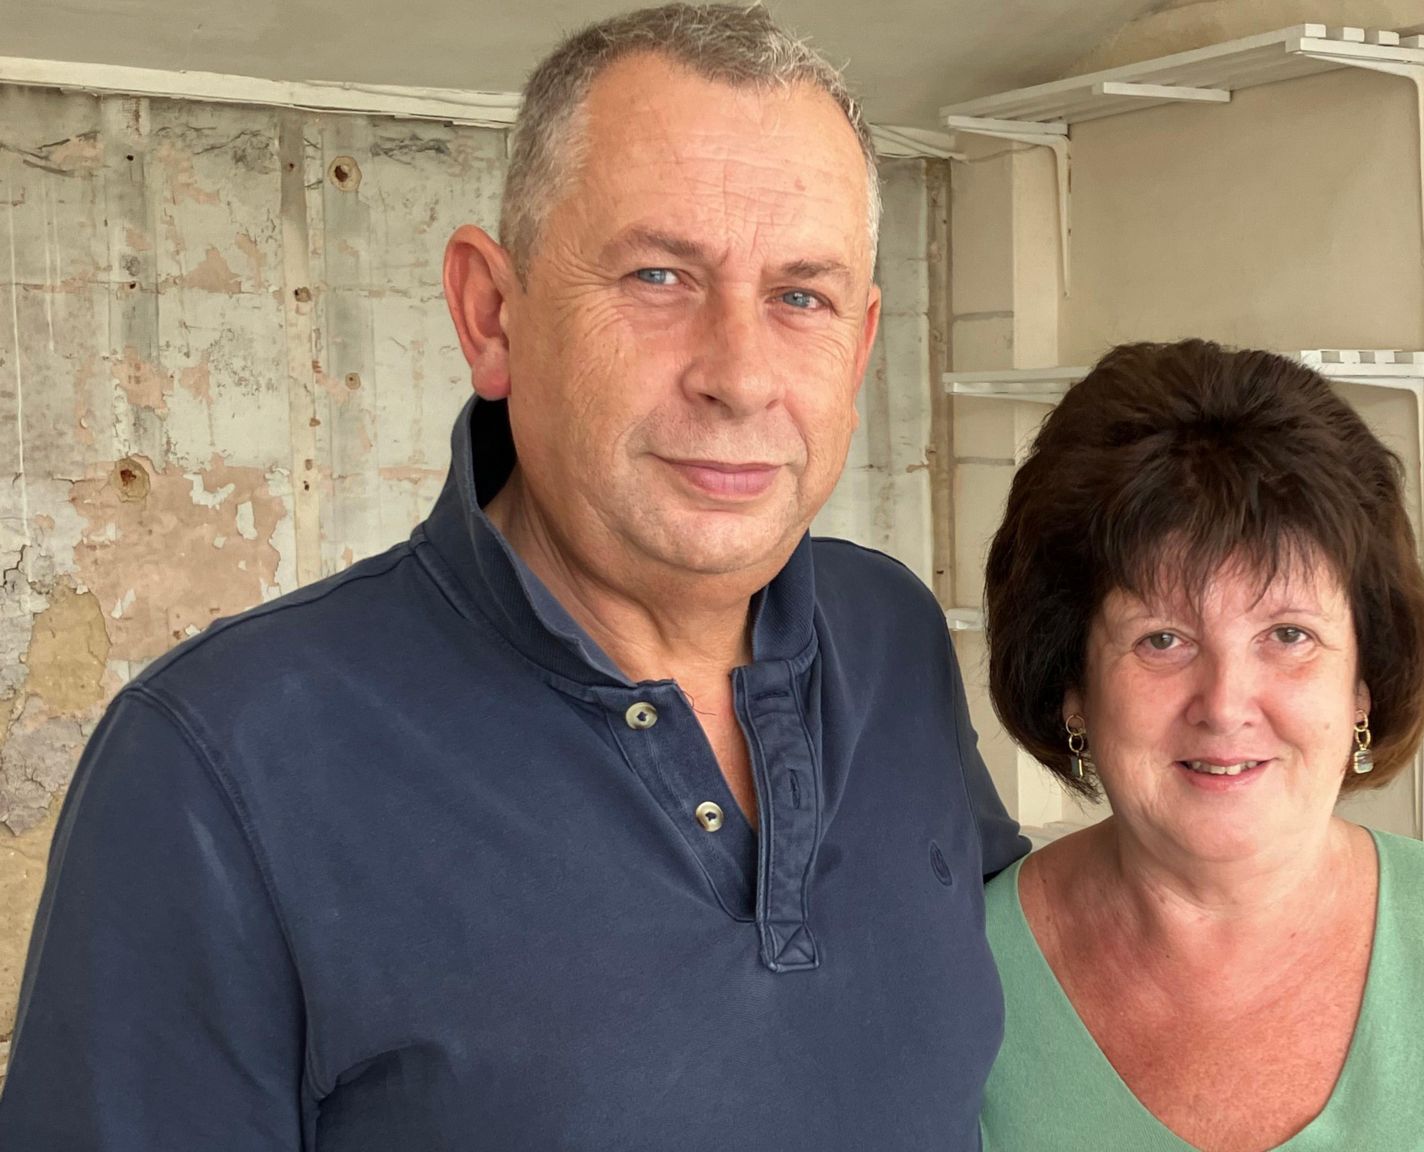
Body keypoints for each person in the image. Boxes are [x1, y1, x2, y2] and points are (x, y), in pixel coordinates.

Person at [0, 6, 1024, 1148]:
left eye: (800, 297)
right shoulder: (218, 762)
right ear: (492, 315)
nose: (740, 376)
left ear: (860, 348)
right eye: (657, 273)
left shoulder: (886, 632)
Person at [976, 339, 1424, 1151]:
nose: (1226, 704)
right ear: (1072, 684)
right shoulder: (955, 977)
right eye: (1162, 639)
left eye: (1288, 633)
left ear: (1364, 682)